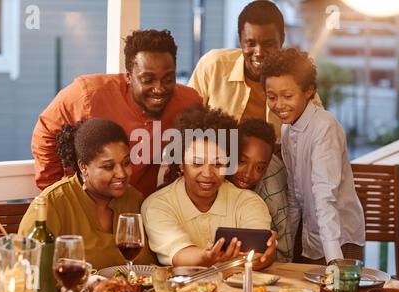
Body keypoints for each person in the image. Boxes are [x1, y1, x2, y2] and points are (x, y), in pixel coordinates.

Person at [32, 29, 202, 196]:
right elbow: (45, 131)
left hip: (139, 206)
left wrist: (170, 189)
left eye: (168, 79)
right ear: (128, 76)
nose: (159, 89)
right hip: (87, 203)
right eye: (148, 80)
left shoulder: (188, 103)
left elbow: (190, 152)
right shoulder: (88, 94)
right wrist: (57, 191)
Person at [260, 48, 365, 265]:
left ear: (309, 91)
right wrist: (287, 245)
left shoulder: (325, 127)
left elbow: (325, 194)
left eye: (287, 96)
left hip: (339, 238)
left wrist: (334, 260)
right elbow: (294, 194)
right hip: (311, 235)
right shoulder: (288, 129)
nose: (279, 105)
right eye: (272, 97)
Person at [141, 106, 276, 270]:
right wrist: (208, 256)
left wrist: (265, 255)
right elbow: (179, 255)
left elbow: (259, 254)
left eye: (218, 163)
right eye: (197, 163)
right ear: (181, 164)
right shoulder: (158, 205)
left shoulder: (248, 202)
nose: (207, 174)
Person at [19, 118, 158, 270]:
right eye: (108, 166)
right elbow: (25, 269)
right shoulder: (52, 204)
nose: (121, 174)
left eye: (126, 163)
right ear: (83, 167)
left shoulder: (134, 199)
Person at [188, 0, 322, 139]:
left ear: (281, 40)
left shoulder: (297, 78)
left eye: (268, 44)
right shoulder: (213, 66)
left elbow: (318, 126)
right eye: (250, 43)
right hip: (215, 157)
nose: (259, 52)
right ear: (240, 40)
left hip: (274, 159)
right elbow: (186, 119)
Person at [228, 118, 293, 262]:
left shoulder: (272, 195)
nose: (248, 174)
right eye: (241, 161)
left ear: (267, 166)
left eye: (259, 168)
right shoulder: (216, 175)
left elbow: (285, 253)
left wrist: (265, 257)